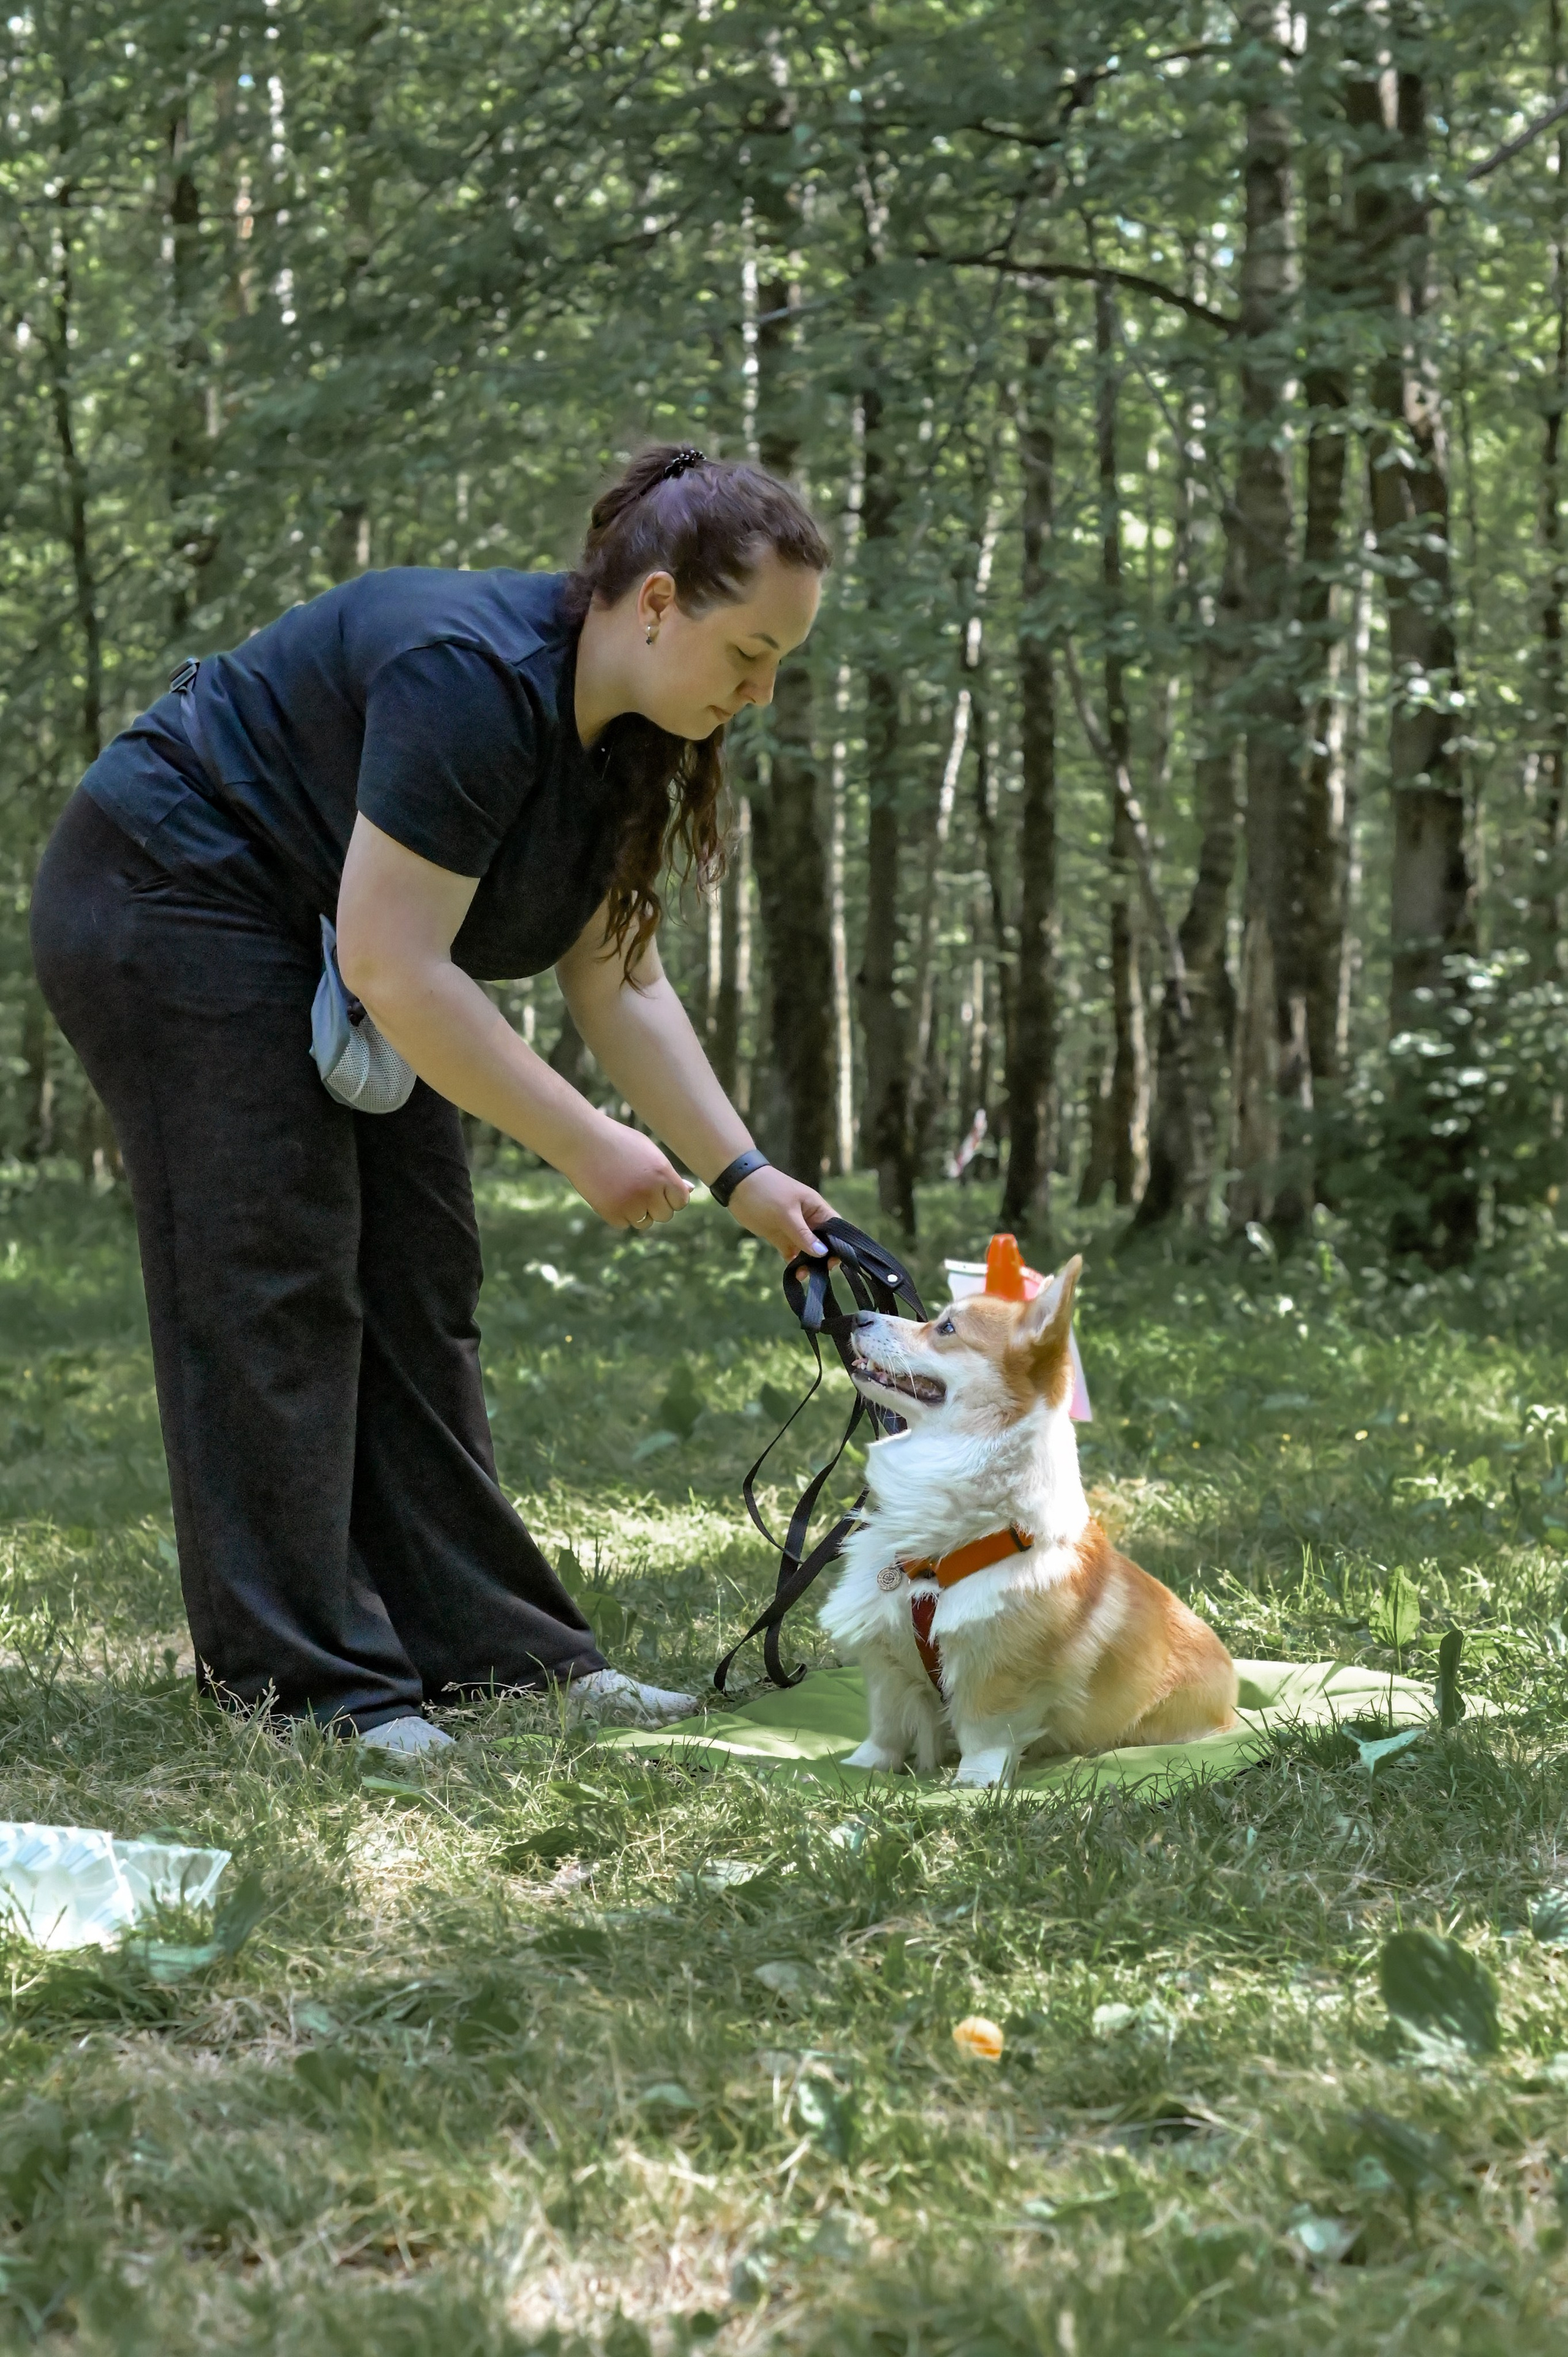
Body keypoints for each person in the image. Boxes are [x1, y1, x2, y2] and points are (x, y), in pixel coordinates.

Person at [29, 443, 837, 1757]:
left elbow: (619, 982)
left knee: (419, 1271)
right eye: (747, 651)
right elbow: (395, 963)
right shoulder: (472, 679)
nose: (758, 689)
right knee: (275, 1269)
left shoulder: (631, 740)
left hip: (324, 938)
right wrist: (583, 1145)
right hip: (169, 891)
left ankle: (499, 1658)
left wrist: (743, 1177)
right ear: (649, 603)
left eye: (777, 664)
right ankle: (307, 1687)